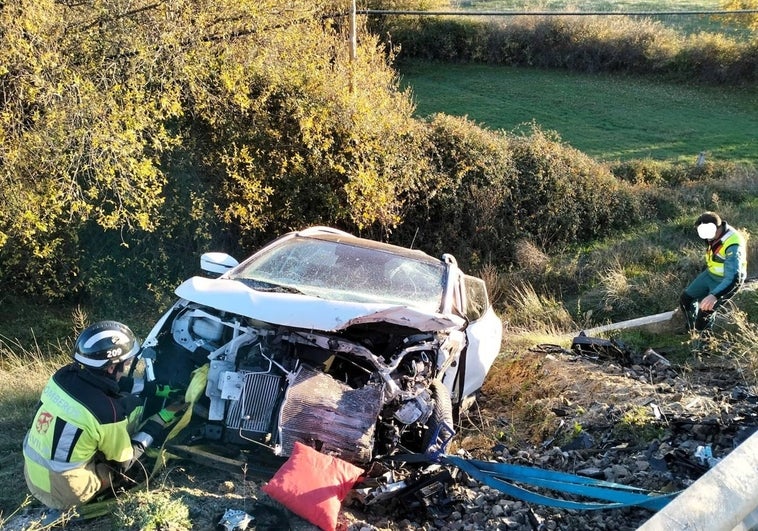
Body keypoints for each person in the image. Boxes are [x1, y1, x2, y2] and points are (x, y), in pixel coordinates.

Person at [22, 321, 185, 511]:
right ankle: (97, 481)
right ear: (110, 367)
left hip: (32, 477)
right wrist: (162, 417)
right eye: (125, 363)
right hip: (65, 492)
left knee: (105, 418)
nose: (126, 367)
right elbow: (126, 461)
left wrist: (157, 390)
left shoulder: (63, 376)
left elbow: (113, 383)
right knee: (121, 450)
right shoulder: (108, 413)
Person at [679, 211, 747, 337]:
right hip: (711, 274)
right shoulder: (713, 234)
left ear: (717, 227)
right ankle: (692, 329)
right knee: (685, 300)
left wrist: (714, 296)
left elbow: (734, 277)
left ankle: (704, 348)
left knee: (704, 314)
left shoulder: (733, 244)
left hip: (727, 281)